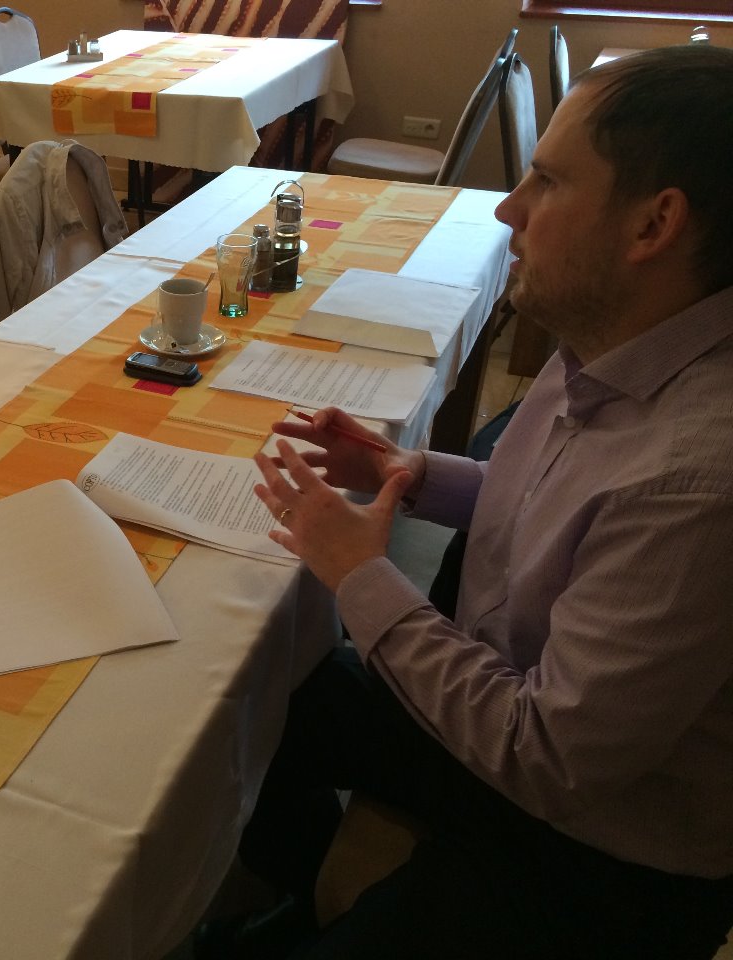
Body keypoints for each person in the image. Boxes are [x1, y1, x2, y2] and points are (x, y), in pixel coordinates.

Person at [225, 44, 733, 959]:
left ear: (654, 224)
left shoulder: (701, 478)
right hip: (508, 725)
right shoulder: (622, 334)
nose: (510, 207)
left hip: (597, 853)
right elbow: (572, 508)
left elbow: (545, 758)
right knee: (251, 695)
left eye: (547, 181)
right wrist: (410, 472)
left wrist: (360, 575)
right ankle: (304, 893)